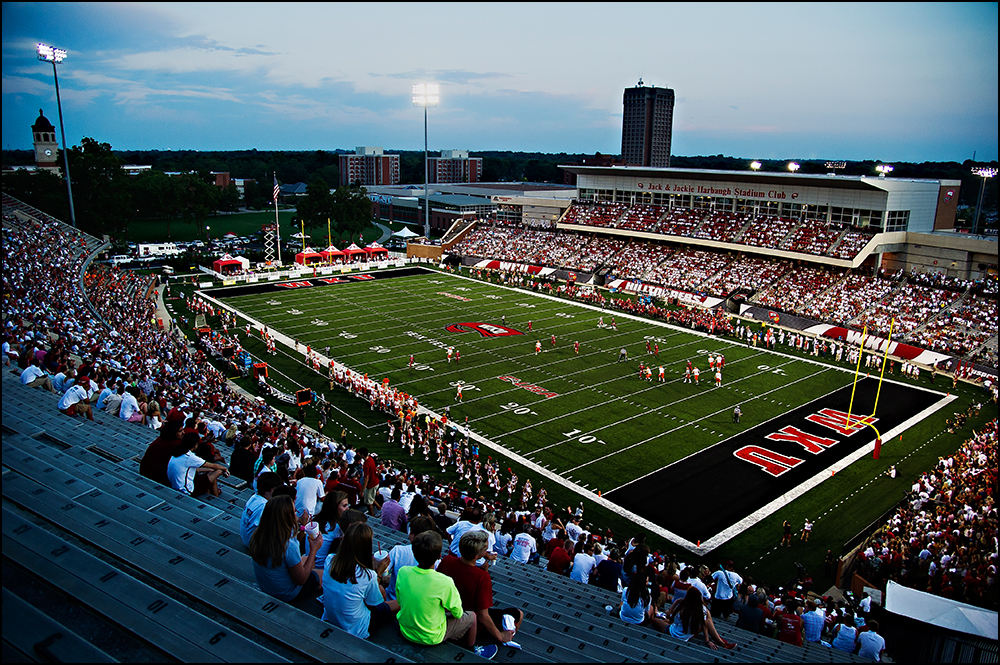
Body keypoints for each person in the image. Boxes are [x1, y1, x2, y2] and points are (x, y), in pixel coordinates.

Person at [395, 531, 496, 659]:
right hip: (432, 636)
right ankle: (471, 651)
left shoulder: (403, 572)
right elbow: (458, 614)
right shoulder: (445, 581)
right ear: (439, 556)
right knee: (471, 617)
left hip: (405, 630)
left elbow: (400, 601)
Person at [438, 530, 522, 652]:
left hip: (444, 614)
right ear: (477, 556)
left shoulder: (447, 561)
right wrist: (501, 636)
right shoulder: (482, 577)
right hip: (469, 624)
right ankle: (502, 645)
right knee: (518, 613)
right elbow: (483, 616)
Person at [322, 522, 398, 639]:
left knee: (380, 591)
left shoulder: (329, 560)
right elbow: (375, 605)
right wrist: (378, 574)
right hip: (356, 629)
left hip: (332, 618)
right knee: (397, 602)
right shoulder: (368, 576)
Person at [248, 495, 323, 608]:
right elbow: (301, 580)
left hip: (267, 586)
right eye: (293, 511)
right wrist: (314, 550)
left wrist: (302, 525)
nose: (296, 512)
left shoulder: (258, 535)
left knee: (308, 560)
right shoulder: (287, 545)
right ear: (286, 517)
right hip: (286, 593)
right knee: (327, 575)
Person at [664, 587, 735, 650]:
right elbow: (704, 624)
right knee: (708, 620)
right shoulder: (701, 609)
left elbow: (670, 617)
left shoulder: (683, 607)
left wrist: (675, 603)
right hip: (690, 631)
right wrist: (707, 641)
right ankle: (721, 641)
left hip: (679, 630)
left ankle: (720, 640)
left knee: (656, 620)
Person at [385, 515, 437, 600]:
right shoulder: (435, 559)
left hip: (392, 599)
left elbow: (384, 571)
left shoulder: (398, 551)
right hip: (417, 606)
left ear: (413, 535)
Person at [167, 432, 229, 497]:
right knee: (218, 471)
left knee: (209, 474)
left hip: (175, 485)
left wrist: (209, 470)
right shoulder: (189, 457)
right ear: (195, 445)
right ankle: (216, 498)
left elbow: (193, 469)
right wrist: (224, 469)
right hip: (186, 490)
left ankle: (214, 495)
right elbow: (213, 465)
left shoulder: (177, 452)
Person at [241, 471, 285, 547]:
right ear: (266, 491)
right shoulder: (264, 505)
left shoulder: (254, 497)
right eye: (275, 489)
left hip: (246, 538)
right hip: (253, 544)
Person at [139, 419, 186, 487]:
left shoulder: (160, 439)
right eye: (180, 431)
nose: (184, 433)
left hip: (145, 472)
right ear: (173, 432)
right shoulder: (175, 445)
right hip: (157, 477)